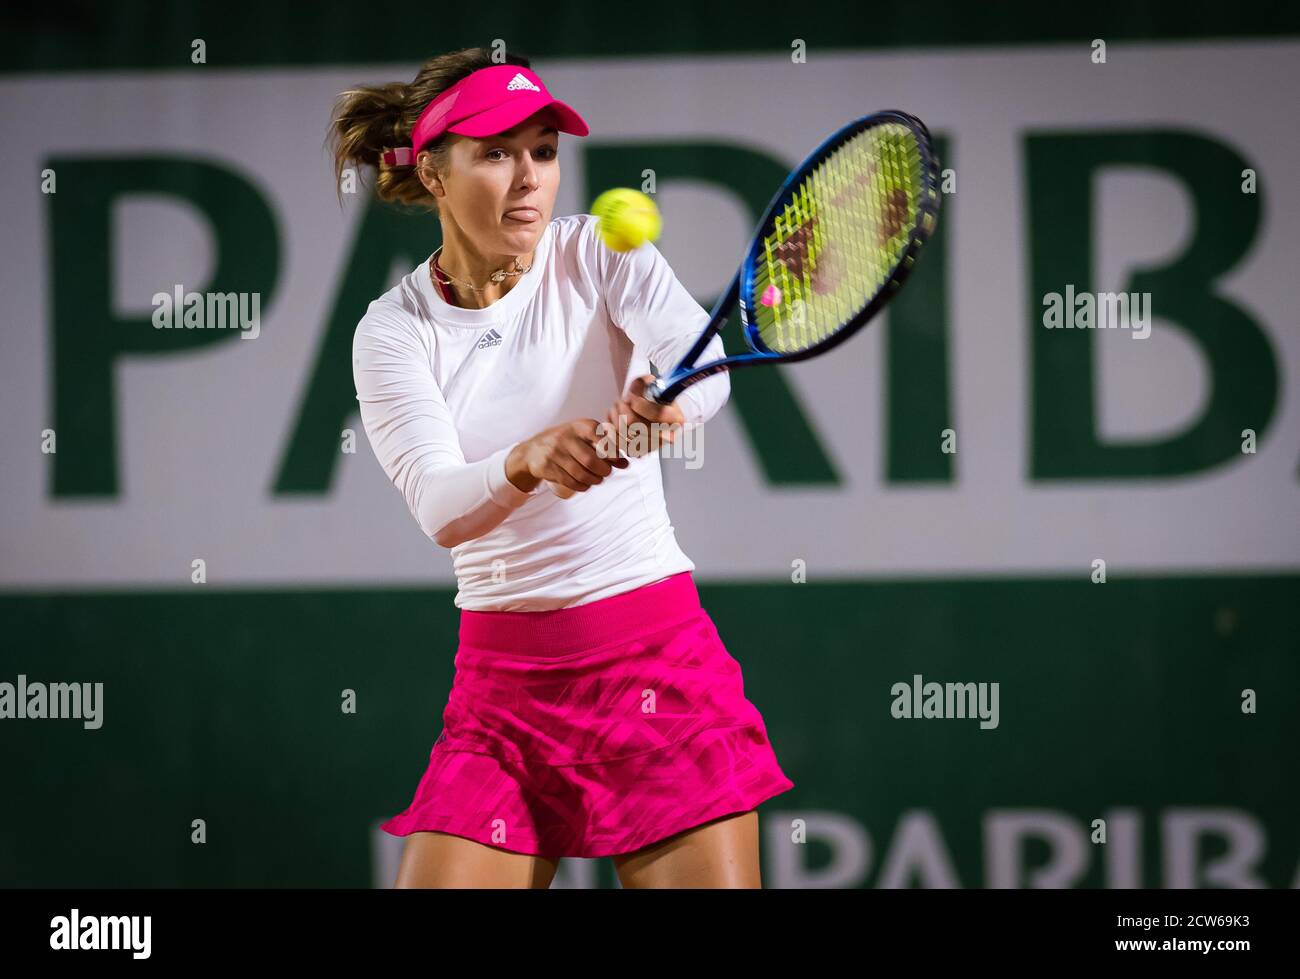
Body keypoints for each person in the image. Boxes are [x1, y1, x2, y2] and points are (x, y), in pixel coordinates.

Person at [331, 46, 793, 888]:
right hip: (501, 701)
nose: (529, 179)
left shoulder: (599, 253)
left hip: (657, 668)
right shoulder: (392, 331)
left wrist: (661, 410)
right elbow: (441, 507)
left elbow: (706, 371)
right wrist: (527, 459)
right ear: (433, 173)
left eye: (543, 151)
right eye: (496, 153)